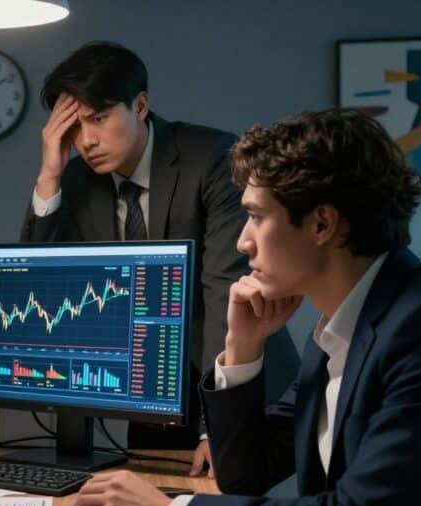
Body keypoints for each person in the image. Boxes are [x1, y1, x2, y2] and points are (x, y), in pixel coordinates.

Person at [67, 109, 421, 506]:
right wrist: (242, 348)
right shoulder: (340, 327)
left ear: (322, 224)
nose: (243, 242)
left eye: (255, 216)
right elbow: (245, 478)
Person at [21, 41, 297, 473]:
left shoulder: (212, 158)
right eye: (73, 127)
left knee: (227, 502)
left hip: (234, 378)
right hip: (153, 395)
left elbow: (224, 291)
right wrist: (49, 175)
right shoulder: (76, 180)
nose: (86, 141)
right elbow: (38, 288)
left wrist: (215, 427)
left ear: (141, 105)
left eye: (98, 118)